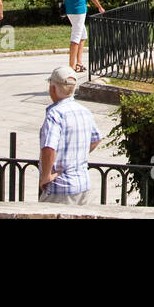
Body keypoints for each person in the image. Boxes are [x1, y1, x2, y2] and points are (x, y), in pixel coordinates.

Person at [38, 65, 102, 205]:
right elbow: (96, 139)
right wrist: (76, 157)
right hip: (82, 184)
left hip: (60, 187)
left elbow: (49, 147)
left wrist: (46, 176)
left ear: (53, 88)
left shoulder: (55, 114)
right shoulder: (84, 111)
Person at [62, 0, 105, 73]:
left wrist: (64, 5)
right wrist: (99, 7)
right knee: (76, 35)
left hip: (70, 9)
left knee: (82, 35)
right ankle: (71, 66)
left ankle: (79, 63)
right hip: (79, 9)